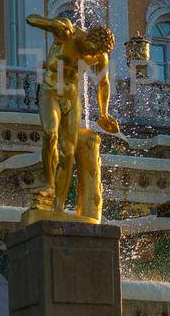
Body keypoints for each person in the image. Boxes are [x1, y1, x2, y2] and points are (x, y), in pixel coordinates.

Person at [26, 13, 118, 222]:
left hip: (72, 97)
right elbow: (30, 19)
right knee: (50, 134)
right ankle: (49, 186)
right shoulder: (69, 34)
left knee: (68, 151)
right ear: (87, 38)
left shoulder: (99, 55)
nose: (92, 55)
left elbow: (103, 83)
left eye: (96, 53)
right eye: (91, 49)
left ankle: (57, 205)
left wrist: (104, 113)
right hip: (50, 91)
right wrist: (52, 24)